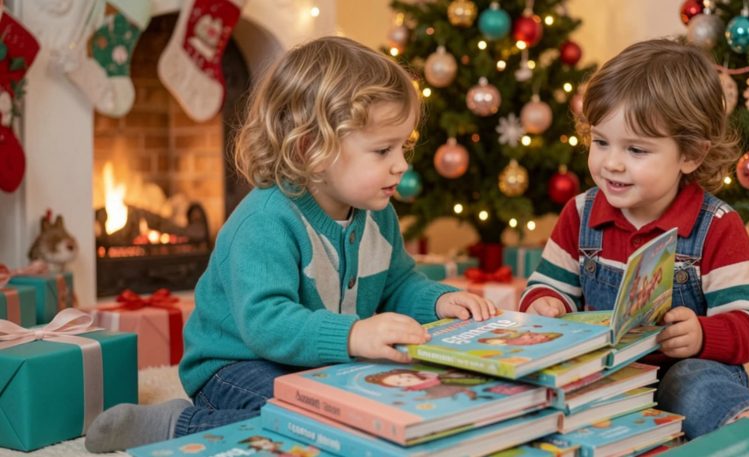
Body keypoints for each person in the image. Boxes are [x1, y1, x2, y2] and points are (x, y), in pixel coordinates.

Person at [85, 36, 497, 452]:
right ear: (311, 148)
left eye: (403, 146)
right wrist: (354, 335)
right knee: (307, 421)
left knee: (373, 411)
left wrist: (439, 303)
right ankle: (177, 424)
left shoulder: (378, 214)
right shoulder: (266, 219)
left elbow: (398, 284)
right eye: (382, 150)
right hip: (235, 364)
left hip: (316, 363)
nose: (402, 164)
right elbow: (267, 322)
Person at [518, 38, 749, 439]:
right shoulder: (580, 212)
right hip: (603, 371)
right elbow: (546, 286)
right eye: (601, 142)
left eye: (637, 150)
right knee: (536, 387)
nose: (612, 163)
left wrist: (702, 334)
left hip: (686, 367)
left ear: (690, 155)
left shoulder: (717, 225)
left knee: (694, 389)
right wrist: (546, 303)